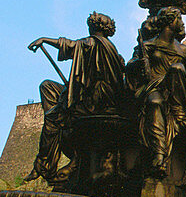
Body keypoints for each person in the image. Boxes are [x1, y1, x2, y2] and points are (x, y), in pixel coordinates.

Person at [27, 12, 125, 183]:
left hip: (92, 101)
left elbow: (70, 45)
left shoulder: (93, 42)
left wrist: (44, 39)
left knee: (52, 118)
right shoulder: (111, 49)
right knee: (47, 86)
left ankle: (44, 166)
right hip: (95, 95)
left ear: (94, 26)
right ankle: (61, 106)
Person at [130, 7, 186, 176]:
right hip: (153, 86)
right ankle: (159, 153)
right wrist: (138, 64)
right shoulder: (148, 45)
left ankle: (178, 108)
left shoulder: (183, 50)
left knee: (177, 68)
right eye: (179, 19)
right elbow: (130, 68)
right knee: (155, 102)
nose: (181, 23)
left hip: (176, 90)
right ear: (169, 21)